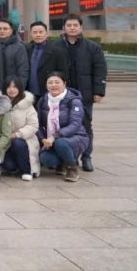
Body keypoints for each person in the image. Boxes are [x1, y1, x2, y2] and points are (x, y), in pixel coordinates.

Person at [52, 14, 106, 172]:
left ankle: (87, 157)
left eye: (75, 25)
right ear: (64, 28)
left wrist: (99, 91)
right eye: (69, 25)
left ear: (81, 27)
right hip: (63, 95)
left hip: (85, 94)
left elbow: (100, 70)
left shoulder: (92, 47)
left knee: (85, 125)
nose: (72, 28)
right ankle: (69, 157)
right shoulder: (56, 47)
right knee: (63, 125)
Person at [36, 72, 89, 182]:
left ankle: (72, 168)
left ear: (64, 83)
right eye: (50, 82)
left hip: (76, 137)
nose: (53, 85)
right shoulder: (43, 101)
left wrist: (55, 136)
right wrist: (43, 138)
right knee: (45, 159)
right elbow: (38, 124)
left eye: (57, 82)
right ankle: (62, 162)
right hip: (51, 140)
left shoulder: (74, 101)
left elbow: (75, 125)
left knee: (60, 142)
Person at [1, 76, 40, 181]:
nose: (11, 90)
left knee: (17, 142)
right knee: (9, 166)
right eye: (9, 87)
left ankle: (26, 171)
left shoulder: (27, 105)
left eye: (15, 87)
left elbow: (33, 125)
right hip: (5, 141)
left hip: (24, 140)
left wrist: (16, 134)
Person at [26, 21, 68, 103]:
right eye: (35, 32)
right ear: (31, 34)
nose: (38, 35)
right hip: (29, 93)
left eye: (41, 32)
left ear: (46, 34)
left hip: (49, 93)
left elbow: (63, 73)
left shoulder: (56, 51)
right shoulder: (26, 49)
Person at [0, 19, 30, 90]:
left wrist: (18, 89)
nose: (2, 31)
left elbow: (23, 71)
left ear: (11, 30)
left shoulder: (19, 47)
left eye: (5, 29)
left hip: (13, 89)